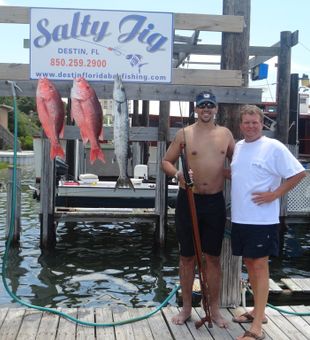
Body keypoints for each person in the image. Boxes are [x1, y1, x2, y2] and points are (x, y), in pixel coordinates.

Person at [230, 105, 306, 340]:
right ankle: (257, 312)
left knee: (260, 267)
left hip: (262, 220)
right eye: (246, 122)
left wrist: (275, 194)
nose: (250, 126)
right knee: (250, 265)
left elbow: (298, 173)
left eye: (255, 122)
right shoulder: (239, 147)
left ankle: (257, 328)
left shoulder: (273, 147)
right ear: (240, 124)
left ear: (262, 123)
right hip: (240, 218)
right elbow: (238, 175)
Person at [161, 91, 235, 327]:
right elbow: (166, 162)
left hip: (214, 202)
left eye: (210, 105)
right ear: (195, 109)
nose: (206, 109)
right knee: (187, 258)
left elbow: (238, 164)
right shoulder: (185, 133)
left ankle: (214, 309)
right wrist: (178, 175)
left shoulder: (225, 135)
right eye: (202, 105)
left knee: (213, 258)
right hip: (188, 200)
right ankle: (185, 308)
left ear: (216, 109)